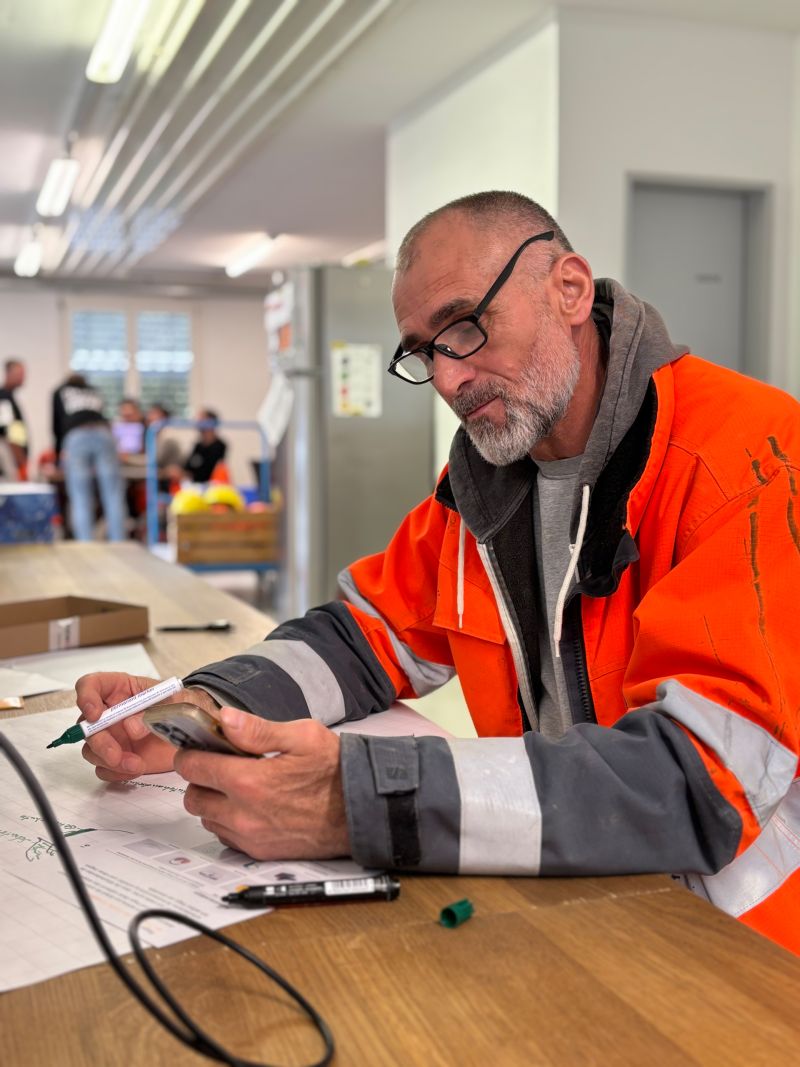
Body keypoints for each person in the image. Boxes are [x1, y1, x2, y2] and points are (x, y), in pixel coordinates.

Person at [77, 191, 800, 955]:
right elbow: (364, 636)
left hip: (746, 948)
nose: (450, 379)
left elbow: (696, 781)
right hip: (590, 902)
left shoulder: (754, 461)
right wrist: (207, 706)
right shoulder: (488, 486)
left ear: (569, 288)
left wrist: (359, 802)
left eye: (465, 327)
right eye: (425, 352)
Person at [52, 373, 126, 541]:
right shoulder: (94, 390)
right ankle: (119, 540)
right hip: (103, 434)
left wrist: (58, 459)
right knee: (113, 493)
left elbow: (56, 426)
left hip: (76, 436)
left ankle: (85, 542)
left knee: (80, 494)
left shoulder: (61, 391)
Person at [0, 358, 28, 478]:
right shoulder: (4, 397)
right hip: (10, 457)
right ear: (8, 373)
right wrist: (21, 462)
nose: (23, 377)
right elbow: (9, 430)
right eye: (20, 374)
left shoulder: (10, 397)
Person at [183, 408, 227, 483]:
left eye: (202, 419)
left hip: (210, 485)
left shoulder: (220, 446)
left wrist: (189, 475)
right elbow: (188, 467)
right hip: (192, 484)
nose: (198, 422)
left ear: (210, 422)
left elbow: (210, 471)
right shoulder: (198, 446)